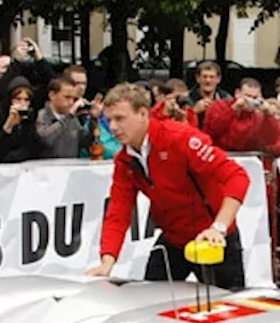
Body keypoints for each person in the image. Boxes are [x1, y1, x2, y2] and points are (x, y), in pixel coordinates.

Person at [88, 83, 251, 290]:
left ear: (143, 114)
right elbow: (118, 210)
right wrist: (107, 261)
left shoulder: (180, 138)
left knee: (228, 312)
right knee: (148, 299)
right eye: (109, 120)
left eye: (120, 118)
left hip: (213, 240)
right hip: (173, 239)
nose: (112, 127)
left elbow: (237, 177)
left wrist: (218, 228)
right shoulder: (125, 159)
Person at [0, 76, 41, 163]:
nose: (22, 103)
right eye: (18, 99)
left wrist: (26, 123)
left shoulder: (30, 114)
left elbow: (33, 147)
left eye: (26, 100)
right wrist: (8, 126)